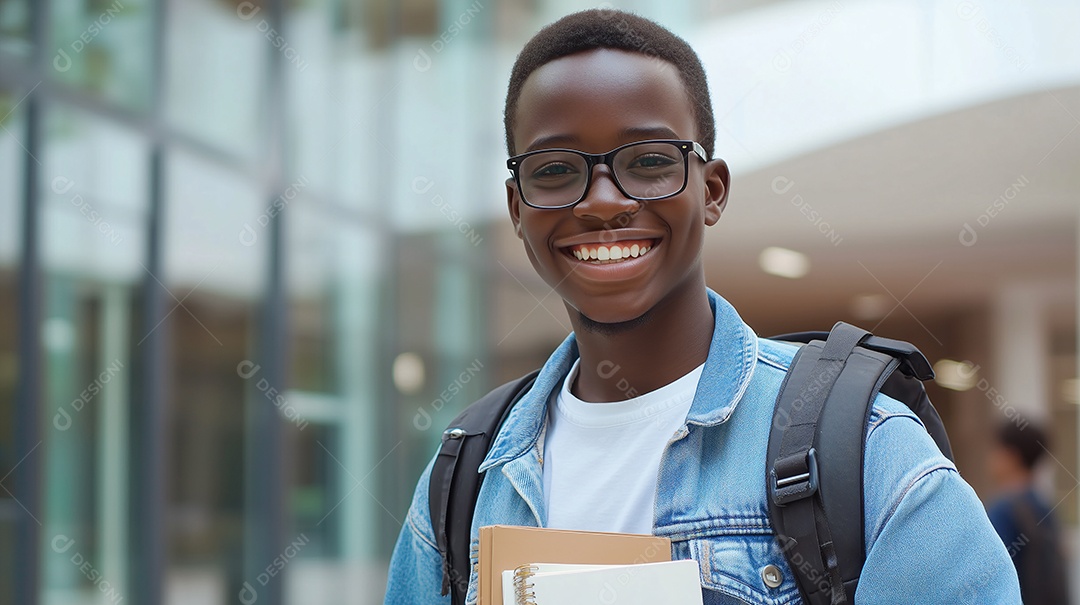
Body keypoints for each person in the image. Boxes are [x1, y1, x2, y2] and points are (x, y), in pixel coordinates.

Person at [385, 9, 1021, 603]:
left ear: (711, 191)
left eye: (650, 161)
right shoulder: (467, 476)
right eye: (555, 170)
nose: (603, 201)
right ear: (518, 208)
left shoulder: (867, 453)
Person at [987, 421, 1071, 604]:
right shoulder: (1045, 507)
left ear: (1012, 456)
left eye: (997, 450)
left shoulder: (1002, 511)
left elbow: (990, 575)